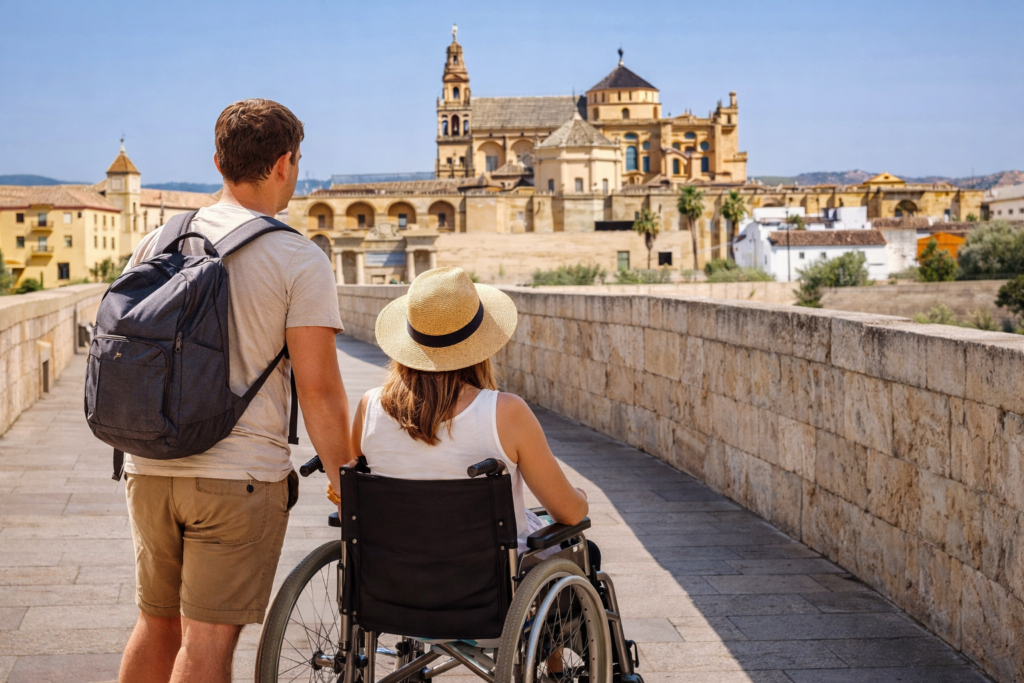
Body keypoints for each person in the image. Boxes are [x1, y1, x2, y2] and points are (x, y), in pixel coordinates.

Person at [118, 99, 352, 683]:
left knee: (155, 624)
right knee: (207, 645)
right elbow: (319, 389)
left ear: (218, 161)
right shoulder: (298, 257)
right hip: (237, 476)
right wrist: (349, 483)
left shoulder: (155, 242)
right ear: (284, 164)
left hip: (148, 467)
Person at [345, 267, 589, 554]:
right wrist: (580, 498)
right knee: (586, 551)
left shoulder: (369, 406)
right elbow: (569, 514)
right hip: (490, 583)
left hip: (393, 580)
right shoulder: (506, 412)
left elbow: (354, 493)